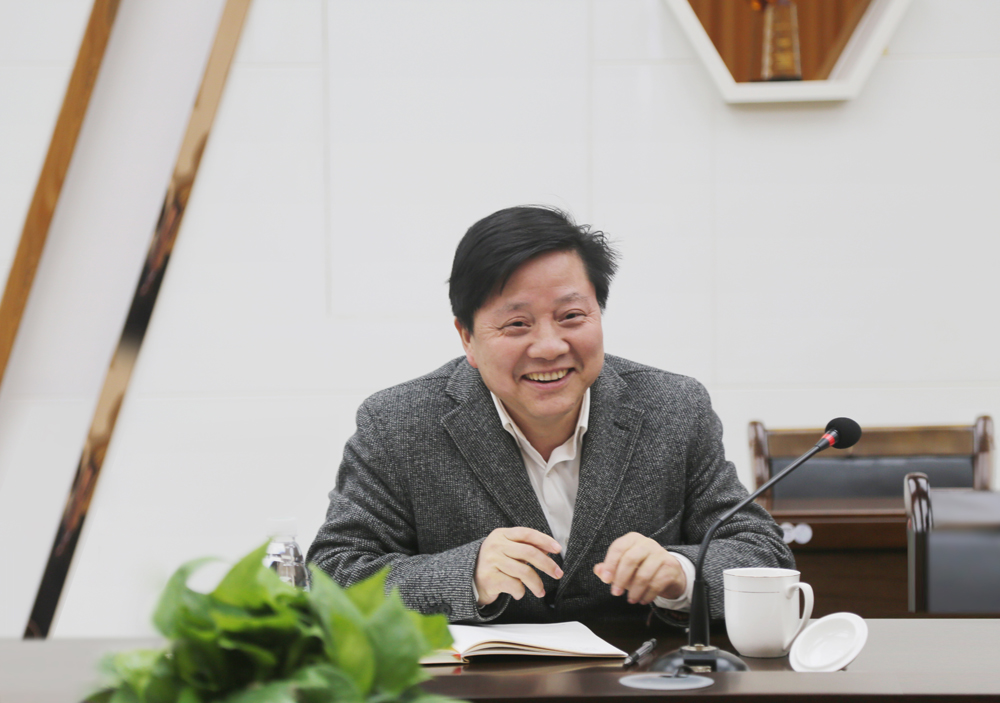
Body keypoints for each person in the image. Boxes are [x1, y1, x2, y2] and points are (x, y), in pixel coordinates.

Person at [308, 206, 793, 624]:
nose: (548, 346)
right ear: (467, 338)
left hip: (639, 682)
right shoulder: (398, 423)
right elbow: (332, 576)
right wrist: (466, 575)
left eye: (571, 317)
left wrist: (680, 573)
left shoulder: (674, 408)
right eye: (517, 323)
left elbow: (763, 555)